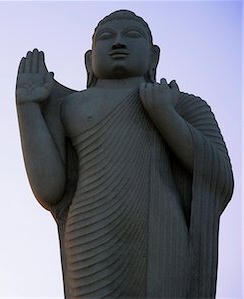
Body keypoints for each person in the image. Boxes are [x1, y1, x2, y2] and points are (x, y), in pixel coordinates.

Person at [16, 10, 233, 298]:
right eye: (106, 38)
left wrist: (166, 116)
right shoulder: (67, 106)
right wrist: (28, 109)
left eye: (132, 36)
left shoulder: (182, 104)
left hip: (161, 234)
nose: (118, 43)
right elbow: (50, 189)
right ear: (88, 59)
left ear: (153, 57)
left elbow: (218, 175)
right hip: (90, 229)